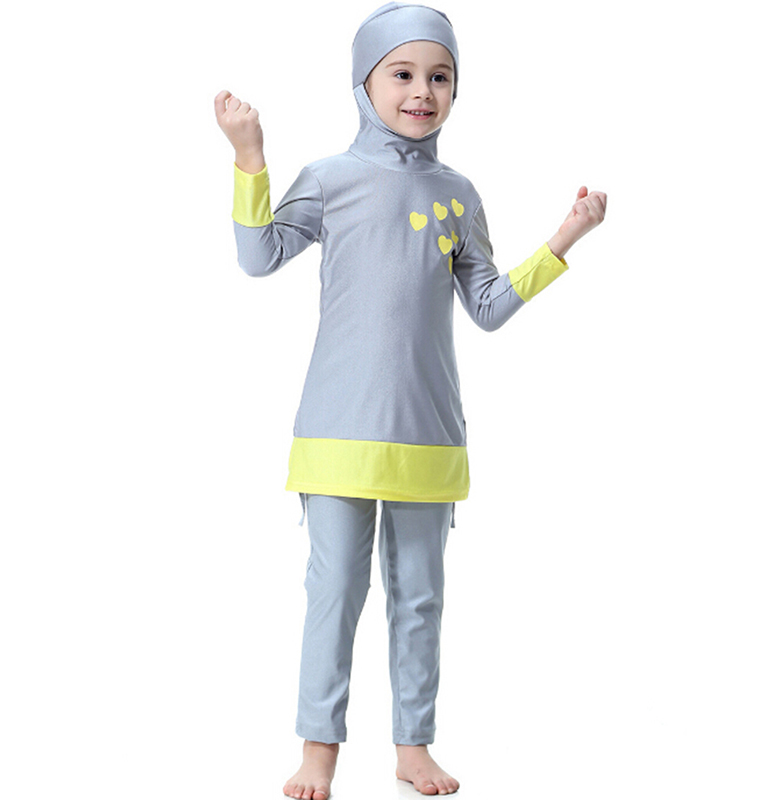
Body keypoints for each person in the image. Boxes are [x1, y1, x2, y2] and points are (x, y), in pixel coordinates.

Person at [214, 3, 606, 797]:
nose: (422, 91)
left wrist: (563, 239)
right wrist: (250, 156)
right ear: (364, 82)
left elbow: (487, 306)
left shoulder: (459, 195)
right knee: (334, 594)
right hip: (337, 432)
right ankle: (319, 749)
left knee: (420, 599)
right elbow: (259, 256)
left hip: (428, 434)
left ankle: (413, 746)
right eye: (402, 73)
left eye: (440, 76)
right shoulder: (330, 179)